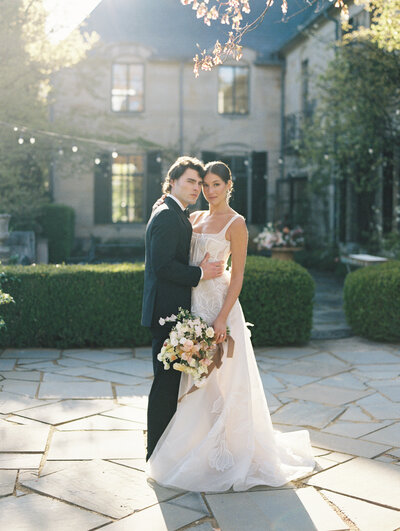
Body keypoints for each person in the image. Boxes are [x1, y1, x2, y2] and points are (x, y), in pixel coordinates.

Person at [147, 161, 315, 492]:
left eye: (214, 185)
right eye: (203, 185)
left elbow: (237, 275)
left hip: (219, 306)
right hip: (192, 305)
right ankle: (189, 444)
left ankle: (229, 447)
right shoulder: (192, 218)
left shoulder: (237, 224)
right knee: (192, 378)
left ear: (228, 186)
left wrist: (222, 317)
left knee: (223, 379)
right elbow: (173, 256)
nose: (208, 191)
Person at [142, 156, 225, 461]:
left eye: (199, 183)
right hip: (166, 312)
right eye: (189, 181)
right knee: (165, 386)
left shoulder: (171, 210)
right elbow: (163, 266)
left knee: (168, 384)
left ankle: (162, 447)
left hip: (170, 310)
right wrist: (201, 273)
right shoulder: (167, 215)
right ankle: (155, 453)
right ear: (173, 181)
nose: (196, 188)